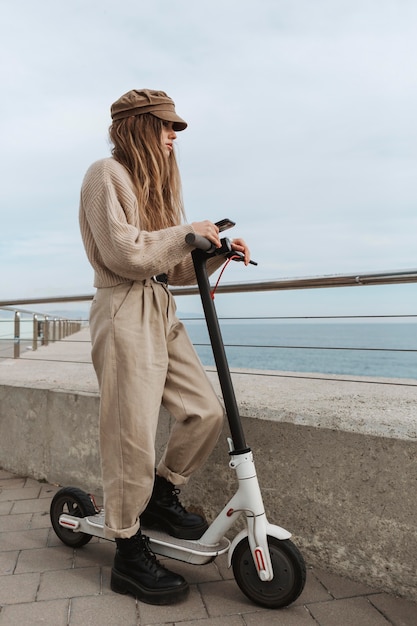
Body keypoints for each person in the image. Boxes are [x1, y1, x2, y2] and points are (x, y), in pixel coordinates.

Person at [79, 89, 250, 605]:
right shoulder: (104, 175)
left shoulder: (158, 187)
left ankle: (160, 494)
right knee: (130, 432)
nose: (174, 135)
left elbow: (171, 267)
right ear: (138, 126)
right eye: (166, 126)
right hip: (123, 306)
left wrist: (215, 250)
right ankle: (127, 550)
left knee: (204, 411)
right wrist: (184, 232)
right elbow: (124, 252)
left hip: (158, 307)